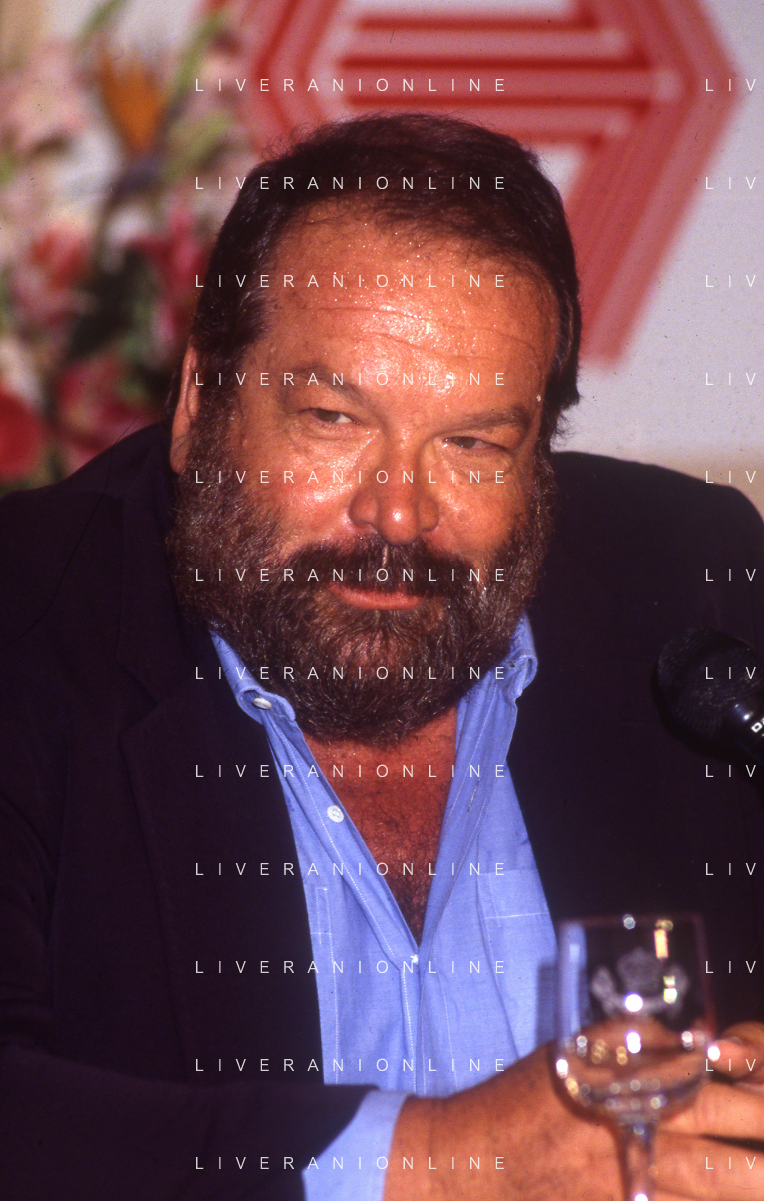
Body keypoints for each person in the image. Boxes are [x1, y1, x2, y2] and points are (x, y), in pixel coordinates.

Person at [1, 112, 763, 1200]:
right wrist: (449, 1163)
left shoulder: (688, 586)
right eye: (332, 418)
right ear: (200, 402)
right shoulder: (29, 621)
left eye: (473, 444)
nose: (398, 512)